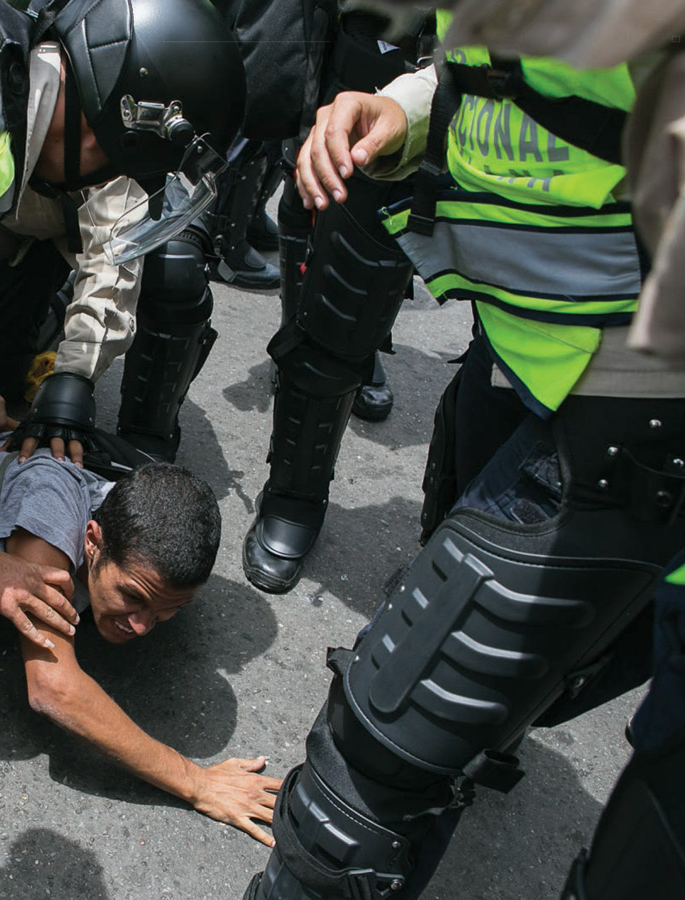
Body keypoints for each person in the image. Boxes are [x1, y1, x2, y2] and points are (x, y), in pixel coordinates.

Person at [243, 9, 685, 900]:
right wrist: (410, 108)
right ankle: (489, 730)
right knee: (465, 681)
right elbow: (522, 77)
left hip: (645, 406)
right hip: (526, 343)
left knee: (361, 784)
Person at [0, 0, 245, 647]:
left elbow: (113, 257)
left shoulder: (36, 80)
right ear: (108, 134)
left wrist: (64, 381)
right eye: (124, 165)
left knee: (165, 276)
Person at [0, 434, 284, 845]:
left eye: (166, 609)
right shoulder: (47, 514)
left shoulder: (144, 527)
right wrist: (199, 784)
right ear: (92, 540)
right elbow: (53, 688)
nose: (141, 627)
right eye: (133, 597)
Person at [239, 7, 426, 595]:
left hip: (494, 94)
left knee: (381, 271)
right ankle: (295, 492)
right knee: (336, 252)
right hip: (364, 49)